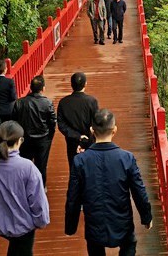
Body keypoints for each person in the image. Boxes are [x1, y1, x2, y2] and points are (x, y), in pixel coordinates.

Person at [65, 109, 152, 256]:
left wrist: (70, 226)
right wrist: (146, 216)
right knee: (129, 245)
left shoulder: (80, 160)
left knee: (95, 248)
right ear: (115, 130)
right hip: (122, 221)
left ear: (92, 130)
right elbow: (139, 191)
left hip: (94, 222)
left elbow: (73, 197)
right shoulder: (126, 158)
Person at [0, 121, 50, 256]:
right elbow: (37, 200)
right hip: (22, 225)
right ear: (20, 141)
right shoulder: (27, 167)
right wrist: (41, 221)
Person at [12, 75, 56, 186]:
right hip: (42, 138)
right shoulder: (47, 103)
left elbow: (14, 120)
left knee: (24, 164)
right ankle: (41, 187)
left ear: (31, 88)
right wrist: (49, 136)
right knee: (41, 165)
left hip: (25, 139)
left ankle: (24, 186)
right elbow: (52, 122)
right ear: (43, 88)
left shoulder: (20, 102)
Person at [57, 72, 99, 169]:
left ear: (71, 85)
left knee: (74, 169)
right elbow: (96, 122)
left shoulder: (63, 102)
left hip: (72, 141)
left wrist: (77, 136)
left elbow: (61, 125)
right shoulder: (92, 101)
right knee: (90, 169)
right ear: (85, 84)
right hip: (89, 141)